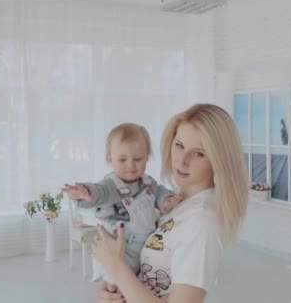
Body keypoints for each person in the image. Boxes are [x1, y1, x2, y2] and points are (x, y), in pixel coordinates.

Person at [92, 103, 249, 303]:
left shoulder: (202, 223)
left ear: (218, 160)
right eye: (179, 145)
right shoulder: (174, 202)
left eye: (198, 153)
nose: (182, 161)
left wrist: (116, 266)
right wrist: (116, 286)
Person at [62, 123, 182, 286]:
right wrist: (86, 192)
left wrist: (166, 199)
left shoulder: (147, 183)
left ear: (147, 156)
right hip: (119, 251)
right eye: (122, 159)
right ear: (110, 159)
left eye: (138, 159)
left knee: (142, 287)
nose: (131, 165)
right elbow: (100, 191)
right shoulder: (111, 186)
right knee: (117, 289)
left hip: (145, 248)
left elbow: (159, 192)